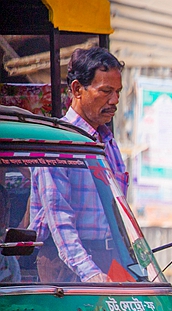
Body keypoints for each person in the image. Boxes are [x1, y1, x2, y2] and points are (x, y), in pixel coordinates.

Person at [29, 47, 128, 282]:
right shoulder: (56, 143)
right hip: (66, 267)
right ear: (77, 89)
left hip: (107, 259)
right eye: (105, 91)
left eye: (117, 92)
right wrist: (90, 273)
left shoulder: (107, 141)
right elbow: (59, 218)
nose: (114, 101)